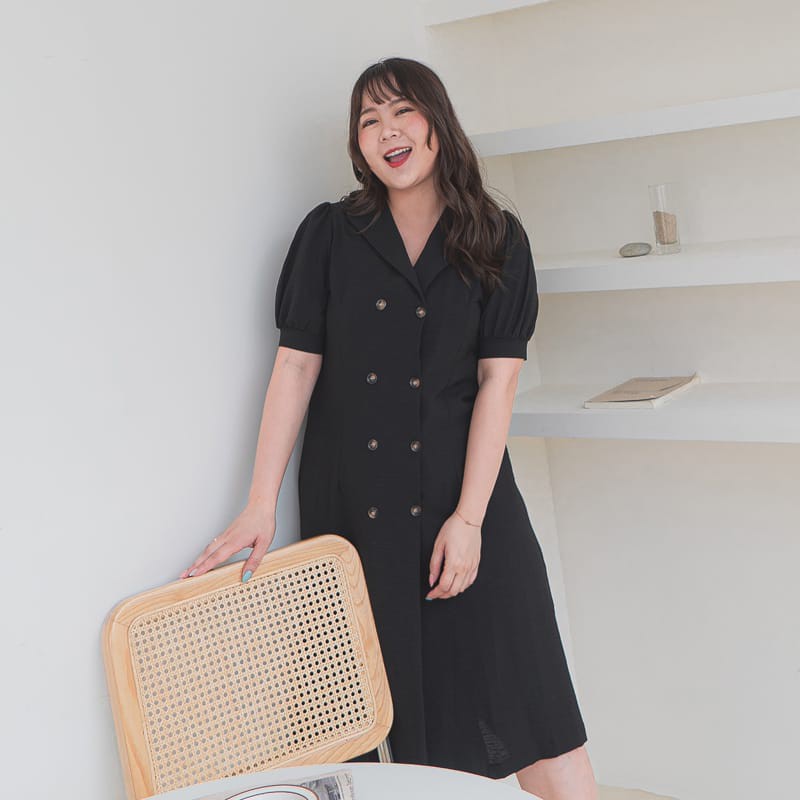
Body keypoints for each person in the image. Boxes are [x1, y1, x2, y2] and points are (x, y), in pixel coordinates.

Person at [181, 57, 598, 799]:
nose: (386, 131)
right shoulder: (329, 235)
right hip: (358, 514)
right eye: (368, 120)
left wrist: (469, 520)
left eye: (401, 110)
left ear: (437, 122)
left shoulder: (497, 236)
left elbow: (497, 380)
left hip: (468, 505)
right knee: (395, 736)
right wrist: (259, 503)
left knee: (539, 717)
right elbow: (296, 367)